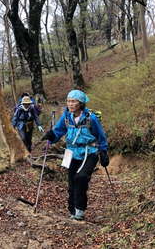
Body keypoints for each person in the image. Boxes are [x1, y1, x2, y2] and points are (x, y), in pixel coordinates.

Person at [41, 90, 109, 221]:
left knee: (81, 177)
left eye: (73, 101)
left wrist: (104, 151)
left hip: (89, 152)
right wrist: (51, 136)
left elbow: (101, 136)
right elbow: (58, 131)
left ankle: (80, 210)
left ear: (81, 103)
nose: (70, 104)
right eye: (68, 101)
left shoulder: (91, 118)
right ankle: (72, 210)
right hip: (71, 152)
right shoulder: (66, 117)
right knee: (72, 182)